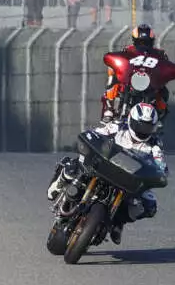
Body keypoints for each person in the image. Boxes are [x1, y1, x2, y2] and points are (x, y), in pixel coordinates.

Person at [46, 102, 167, 245]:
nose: (143, 131)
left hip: (127, 179)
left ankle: (119, 222)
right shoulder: (118, 126)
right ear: (131, 121)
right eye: (140, 126)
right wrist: (89, 139)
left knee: (149, 205)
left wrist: (158, 175)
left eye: (147, 127)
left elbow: (160, 166)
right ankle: (58, 186)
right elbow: (97, 133)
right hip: (103, 168)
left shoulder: (154, 146)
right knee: (72, 166)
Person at [101, 24, 171, 124]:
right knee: (113, 79)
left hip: (149, 80)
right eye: (140, 42)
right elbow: (119, 61)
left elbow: (166, 66)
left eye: (146, 42)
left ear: (151, 42)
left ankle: (158, 116)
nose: (143, 45)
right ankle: (109, 109)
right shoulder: (127, 50)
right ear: (134, 41)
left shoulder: (159, 53)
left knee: (162, 92)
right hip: (131, 77)